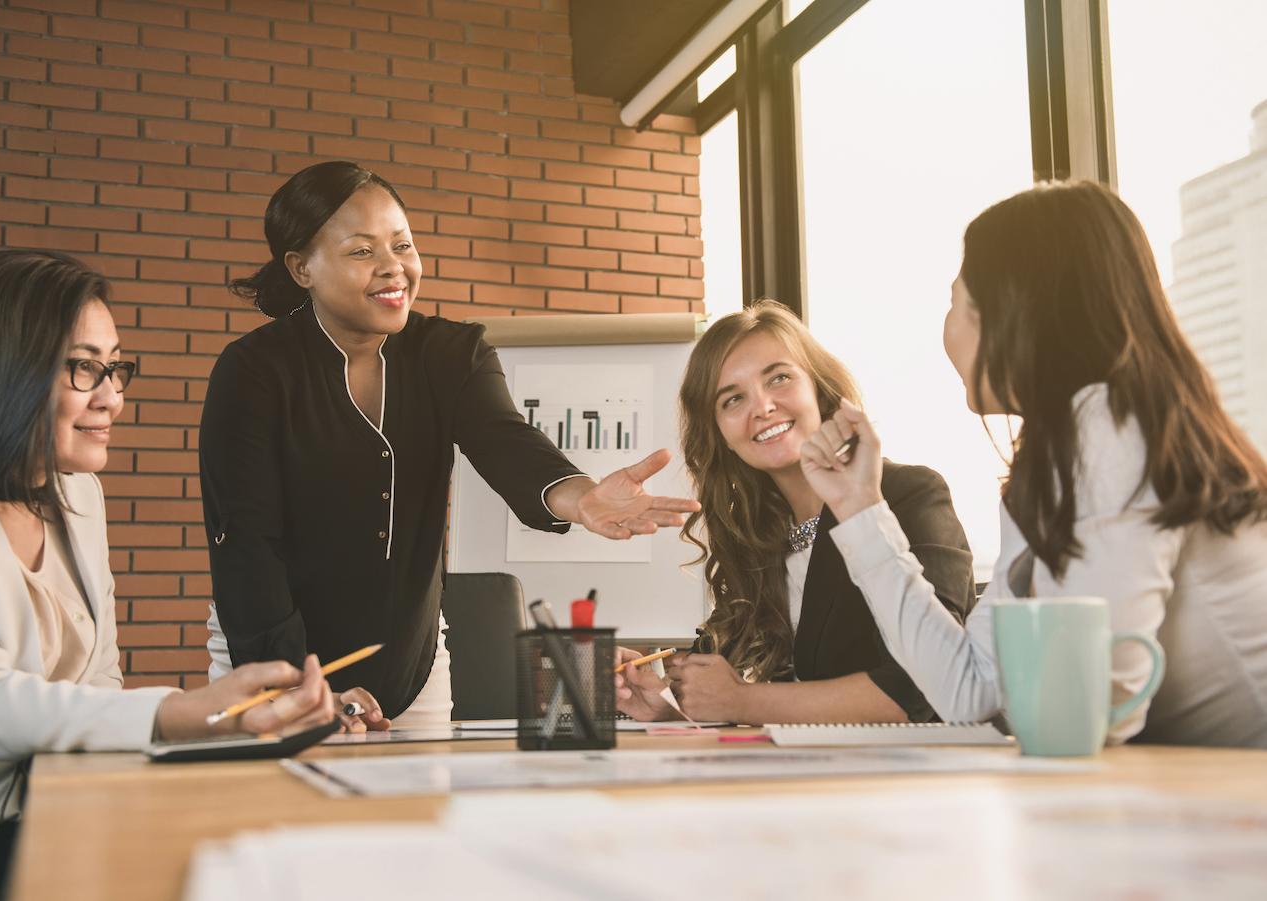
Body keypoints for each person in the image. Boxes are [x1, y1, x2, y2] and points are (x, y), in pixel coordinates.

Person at [200, 161, 699, 729]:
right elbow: (246, 550)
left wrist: (580, 498)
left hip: (412, 662)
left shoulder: (452, 354)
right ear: (301, 267)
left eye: (402, 245)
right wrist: (298, 687)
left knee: (419, 813)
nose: (394, 268)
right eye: (362, 251)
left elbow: (506, 441)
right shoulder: (252, 373)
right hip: (272, 660)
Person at [0, 250, 338, 901]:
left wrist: (249, 723)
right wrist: (181, 715)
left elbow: (100, 686)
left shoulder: (80, 497)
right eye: (86, 367)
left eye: (115, 368)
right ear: (2, 367)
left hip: (66, 816)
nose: (112, 397)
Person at [802, 181, 1267, 747]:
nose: (947, 330)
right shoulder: (1067, 451)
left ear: (1012, 312)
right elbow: (968, 690)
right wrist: (859, 506)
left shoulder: (1110, 431)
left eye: (956, 302)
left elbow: (1090, 715)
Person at [615, 300, 976, 724]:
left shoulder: (907, 494)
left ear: (819, 390)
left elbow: (926, 689)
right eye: (733, 399)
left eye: (780, 378)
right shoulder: (755, 536)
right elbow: (760, 694)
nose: (763, 407)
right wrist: (666, 707)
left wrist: (743, 701)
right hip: (810, 776)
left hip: (914, 779)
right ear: (720, 435)